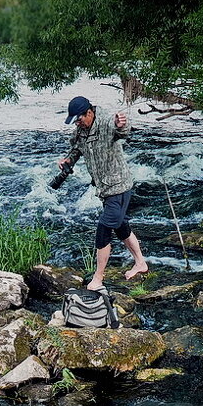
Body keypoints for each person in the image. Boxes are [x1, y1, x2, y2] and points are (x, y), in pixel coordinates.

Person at [58, 95, 148, 290]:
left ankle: (98, 279)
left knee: (104, 229)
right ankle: (141, 263)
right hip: (104, 189)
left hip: (119, 186)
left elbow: (121, 131)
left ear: (89, 112)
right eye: (75, 121)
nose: (77, 123)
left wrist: (121, 124)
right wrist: (67, 161)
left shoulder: (106, 121)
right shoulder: (81, 131)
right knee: (121, 226)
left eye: (79, 119)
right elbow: (76, 149)